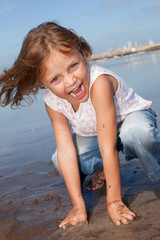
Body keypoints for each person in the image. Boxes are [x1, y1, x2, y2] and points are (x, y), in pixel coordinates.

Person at [0, 22, 160, 230]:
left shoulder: (98, 83)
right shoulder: (52, 102)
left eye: (73, 66)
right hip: (94, 133)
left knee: (138, 133)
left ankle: (155, 168)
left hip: (130, 121)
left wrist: (114, 201)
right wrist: (78, 205)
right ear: (42, 84)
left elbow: (107, 146)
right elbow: (66, 151)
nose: (70, 81)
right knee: (59, 158)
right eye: (56, 78)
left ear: (83, 54)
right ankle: (101, 169)